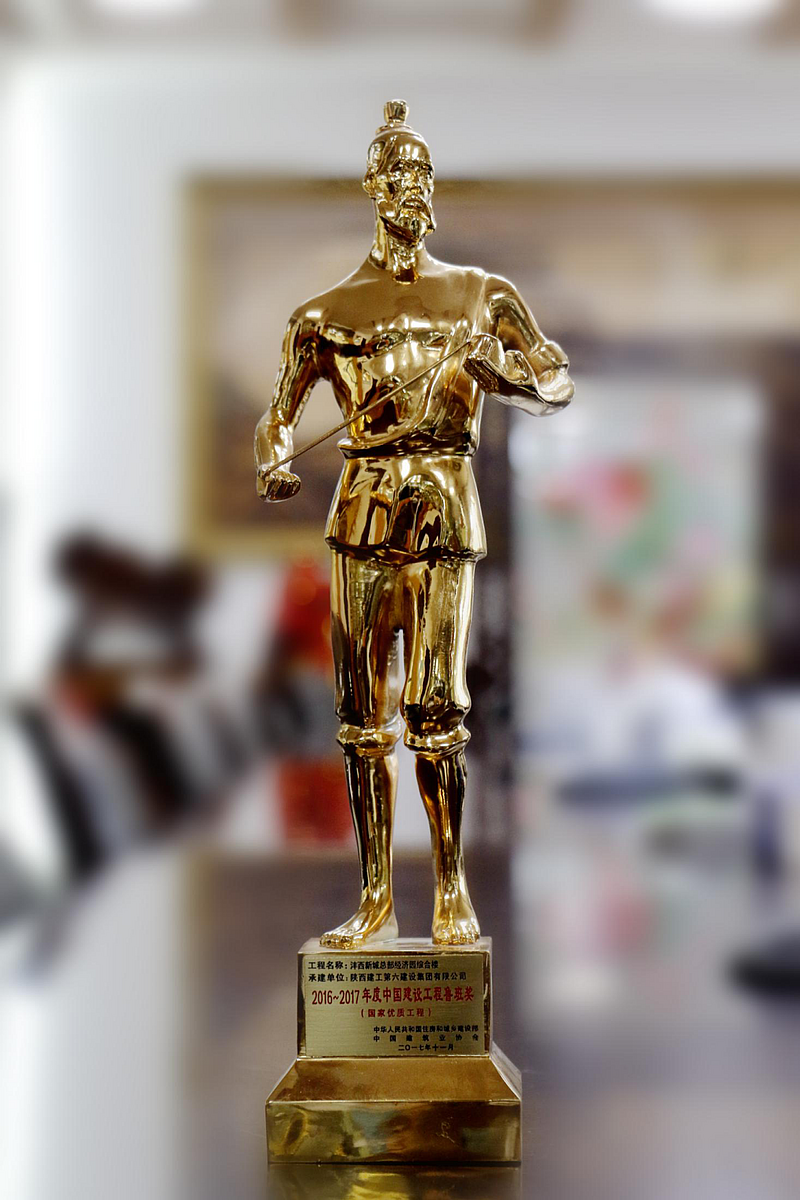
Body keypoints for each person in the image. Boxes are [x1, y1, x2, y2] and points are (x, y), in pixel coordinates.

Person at [255, 100, 573, 946]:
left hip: (443, 500)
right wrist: (276, 459)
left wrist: (502, 375)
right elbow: (277, 418)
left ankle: (451, 889)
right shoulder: (325, 314)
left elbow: (555, 382)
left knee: (438, 709)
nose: (415, 187)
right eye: (400, 174)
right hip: (363, 506)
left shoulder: (480, 295)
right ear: (374, 187)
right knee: (363, 718)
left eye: (424, 174)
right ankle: (374, 898)